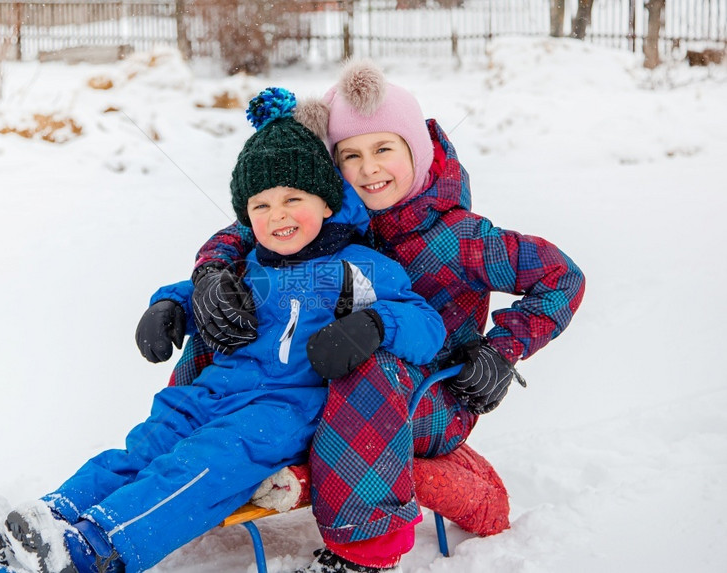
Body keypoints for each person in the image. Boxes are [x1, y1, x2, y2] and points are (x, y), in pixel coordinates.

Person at [0, 87, 446, 573]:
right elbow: (201, 295)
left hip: (283, 410)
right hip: (211, 394)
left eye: (293, 199)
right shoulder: (251, 264)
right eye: (260, 206)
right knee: (143, 448)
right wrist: (169, 305)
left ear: (326, 204)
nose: (277, 215)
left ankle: (94, 548)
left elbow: (426, 324)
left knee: (200, 466)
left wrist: (374, 324)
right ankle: (48, 519)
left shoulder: (358, 267)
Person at [168, 60, 586, 573]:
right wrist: (210, 274)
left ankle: (364, 553)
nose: (368, 170)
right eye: (350, 156)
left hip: (430, 397)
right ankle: (179, 470)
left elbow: (561, 277)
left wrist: (501, 352)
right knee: (225, 326)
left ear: (417, 150)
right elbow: (248, 226)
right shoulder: (337, 217)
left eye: (384, 149)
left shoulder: (460, 238)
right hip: (315, 377)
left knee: (370, 368)